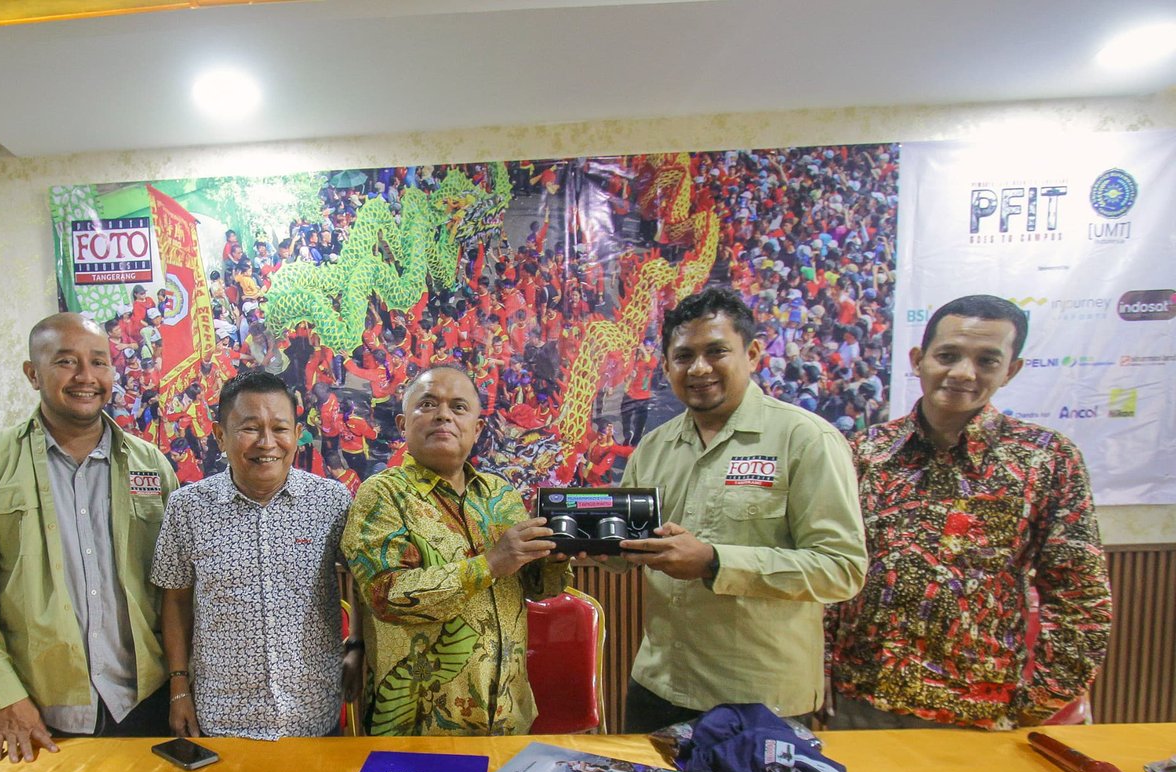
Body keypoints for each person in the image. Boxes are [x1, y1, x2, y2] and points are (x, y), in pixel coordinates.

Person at [828, 295, 1113, 730]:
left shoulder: (1046, 459)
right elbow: (831, 574)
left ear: (1011, 370)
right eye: (948, 356)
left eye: (986, 360)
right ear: (918, 359)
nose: (963, 373)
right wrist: (822, 675)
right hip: (861, 701)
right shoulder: (864, 453)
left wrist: (1038, 700)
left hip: (982, 711)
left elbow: (1081, 597)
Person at [612, 287, 866, 732]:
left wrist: (715, 562)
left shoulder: (806, 440)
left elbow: (840, 568)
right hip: (659, 687)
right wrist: (579, 547)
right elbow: (633, 546)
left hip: (761, 701)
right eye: (684, 355)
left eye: (716, 352)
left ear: (752, 353)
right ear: (667, 365)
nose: (699, 368)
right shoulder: (653, 447)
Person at [0, 313, 176, 761]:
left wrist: (181, 686)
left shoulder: (150, 464)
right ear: (33, 374)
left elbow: (178, 586)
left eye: (99, 362)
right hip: (40, 713)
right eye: (66, 362)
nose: (86, 377)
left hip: (146, 701)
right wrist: (5, 695)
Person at [341, 364, 569, 735]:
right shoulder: (382, 495)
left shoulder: (501, 494)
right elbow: (386, 595)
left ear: (477, 428)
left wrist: (554, 562)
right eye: (428, 404)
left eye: (459, 407)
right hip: (417, 727)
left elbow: (537, 588)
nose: (443, 414)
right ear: (402, 424)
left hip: (508, 717)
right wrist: (490, 564)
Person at [151, 370, 358, 739]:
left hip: (315, 714)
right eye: (249, 428)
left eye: (280, 428)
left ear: (296, 434)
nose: (267, 442)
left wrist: (356, 645)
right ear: (219, 435)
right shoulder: (188, 507)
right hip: (221, 719)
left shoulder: (332, 501)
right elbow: (176, 601)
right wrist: (179, 687)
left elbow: (358, 583)